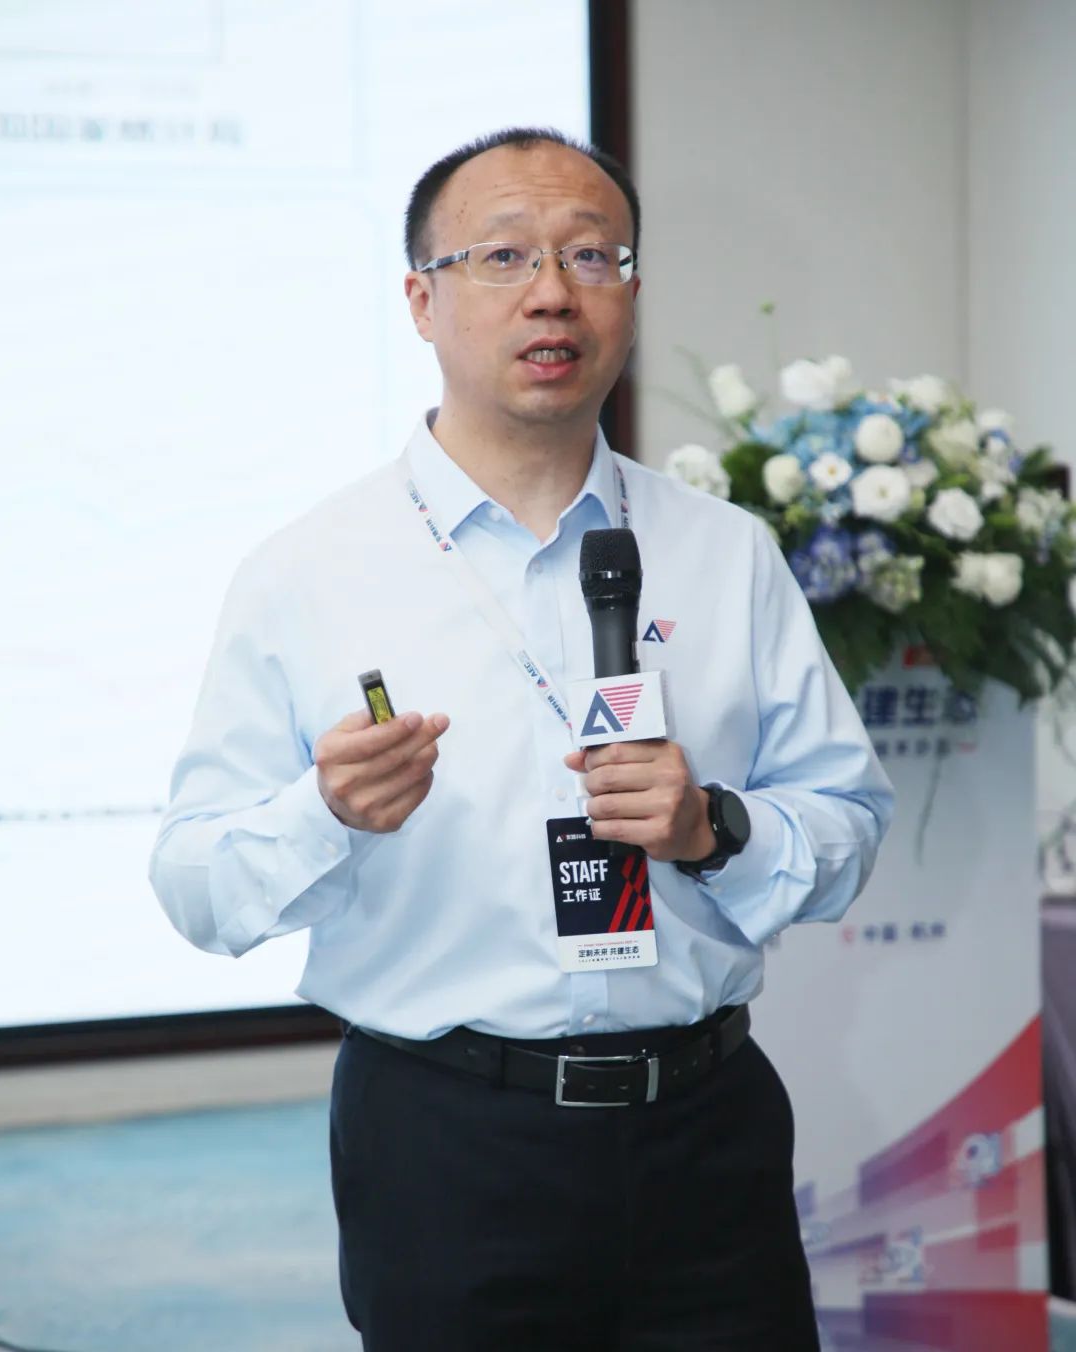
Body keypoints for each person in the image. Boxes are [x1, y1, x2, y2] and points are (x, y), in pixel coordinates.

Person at [149, 126, 894, 1351]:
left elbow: (851, 823)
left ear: (631, 295)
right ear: (421, 300)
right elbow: (196, 884)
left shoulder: (725, 552)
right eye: (504, 255)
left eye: (592, 256)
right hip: (448, 1142)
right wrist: (322, 812)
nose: (553, 291)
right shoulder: (308, 570)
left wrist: (717, 826)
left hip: (707, 1130)